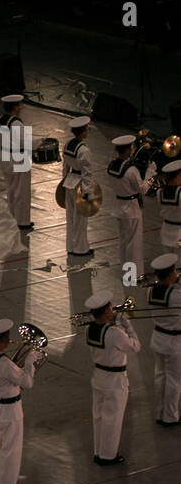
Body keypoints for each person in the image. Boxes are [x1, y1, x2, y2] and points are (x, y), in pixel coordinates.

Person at [0, 319, 38, 484]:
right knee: (11, 450)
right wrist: (29, 363)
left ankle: (0, 483)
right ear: (4, 340)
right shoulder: (5, 364)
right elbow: (27, 383)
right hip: (9, 410)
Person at [84, 290, 138, 465]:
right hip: (115, 379)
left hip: (98, 376)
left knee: (99, 416)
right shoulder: (115, 333)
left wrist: (115, 324)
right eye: (110, 308)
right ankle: (108, 455)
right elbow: (135, 346)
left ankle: (98, 450)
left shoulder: (89, 329)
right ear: (107, 311)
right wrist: (127, 326)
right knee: (113, 418)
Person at [146, 253, 181, 426]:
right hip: (173, 342)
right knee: (174, 380)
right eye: (175, 271)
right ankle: (170, 416)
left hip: (158, 338)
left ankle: (159, 413)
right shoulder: (175, 296)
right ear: (170, 274)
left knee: (160, 377)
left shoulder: (150, 290)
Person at [104, 134, 145, 273]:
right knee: (134, 243)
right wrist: (151, 173)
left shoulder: (112, 166)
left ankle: (126, 272)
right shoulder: (131, 170)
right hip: (132, 208)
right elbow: (143, 189)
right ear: (128, 150)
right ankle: (134, 275)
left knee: (123, 241)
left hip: (119, 205)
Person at [0, 95, 33, 229]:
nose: (20, 108)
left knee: (11, 188)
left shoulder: (0, 120)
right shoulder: (16, 123)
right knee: (22, 190)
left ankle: (12, 217)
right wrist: (39, 143)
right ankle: (22, 221)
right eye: (19, 105)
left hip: (4, 156)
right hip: (18, 157)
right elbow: (25, 142)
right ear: (15, 108)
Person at [61, 116, 94, 256]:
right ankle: (81, 248)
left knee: (70, 216)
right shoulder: (84, 151)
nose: (88, 131)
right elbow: (87, 174)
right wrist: (88, 193)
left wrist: (63, 181)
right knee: (81, 218)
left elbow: (65, 166)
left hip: (69, 181)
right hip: (80, 183)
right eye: (87, 129)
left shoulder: (68, 145)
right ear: (83, 132)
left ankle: (70, 246)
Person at [159, 160, 181, 254]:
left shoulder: (159, 192)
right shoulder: (180, 193)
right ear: (176, 177)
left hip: (166, 231)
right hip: (179, 233)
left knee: (168, 262)